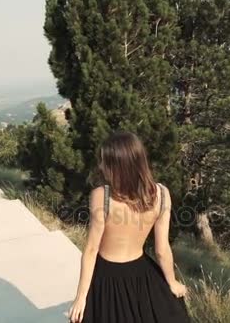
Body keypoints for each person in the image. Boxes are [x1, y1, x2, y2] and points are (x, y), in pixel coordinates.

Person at [69, 132, 191, 323]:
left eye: (104, 161)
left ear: (117, 165)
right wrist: (171, 281)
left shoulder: (102, 195)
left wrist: (81, 297)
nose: (100, 166)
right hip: (142, 273)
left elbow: (91, 250)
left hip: (106, 278)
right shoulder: (162, 194)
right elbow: (161, 249)